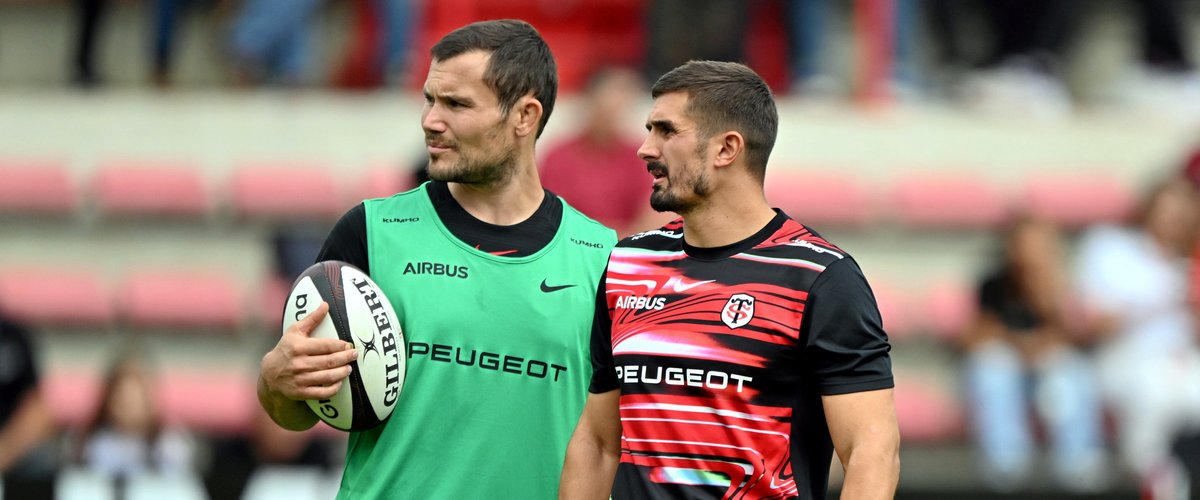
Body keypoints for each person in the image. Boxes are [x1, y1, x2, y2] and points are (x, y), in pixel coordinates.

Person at [257, 19, 617, 499]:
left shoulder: (603, 258)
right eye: (430, 99)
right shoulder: (370, 232)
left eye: (456, 104)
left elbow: (610, 440)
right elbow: (294, 410)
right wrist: (276, 383)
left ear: (525, 116)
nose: (430, 120)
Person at [560, 60, 900, 499]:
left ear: (726, 149)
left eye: (666, 131)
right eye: (649, 130)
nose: (645, 148)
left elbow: (871, 453)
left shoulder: (818, 277)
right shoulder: (628, 263)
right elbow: (599, 442)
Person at [960, 215, 1106, 492]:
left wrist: (1046, 296)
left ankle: (1079, 463)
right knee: (992, 370)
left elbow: (1072, 338)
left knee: (1069, 374)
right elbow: (976, 336)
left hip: (1047, 370)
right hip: (1010, 369)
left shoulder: (1061, 285)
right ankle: (1005, 462)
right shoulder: (994, 284)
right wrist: (1021, 344)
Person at [1075, 178, 1200, 483]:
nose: (1173, 218)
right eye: (1167, 208)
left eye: (1182, 211)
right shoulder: (1108, 247)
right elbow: (1091, 325)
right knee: (1153, 391)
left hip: (1181, 363)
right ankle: (1150, 476)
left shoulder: (1190, 262)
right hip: (1122, 359)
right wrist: (1161, 301)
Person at [539, 66, 661, 236]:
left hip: (626, 251)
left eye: (622, 104)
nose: (614, 112)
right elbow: (550, 216)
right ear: (589, 100)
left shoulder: (641, 155)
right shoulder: (558, 156)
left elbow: (655, 214)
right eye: (607, 102)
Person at [76, 354, 196, 477]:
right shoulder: (89, 444)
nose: (128, 409)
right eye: (121, 401)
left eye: (135, 400)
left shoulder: (169, 445)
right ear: (108, 400)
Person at [0, 316, 55, 472]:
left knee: (41, 461)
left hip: (10, 447)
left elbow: (38, 410)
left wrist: (5, 451)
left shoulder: (13, 336)